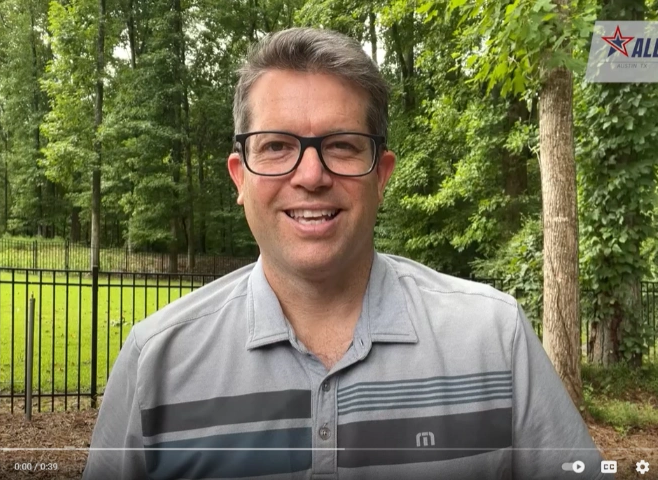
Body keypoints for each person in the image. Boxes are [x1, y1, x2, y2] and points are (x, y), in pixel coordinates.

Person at [83, 27, 611, 480]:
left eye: (342, 145)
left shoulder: (494, 338)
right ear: (239, 177)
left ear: (381, 175)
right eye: (276, 146)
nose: (311, 176)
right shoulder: (157, 361)